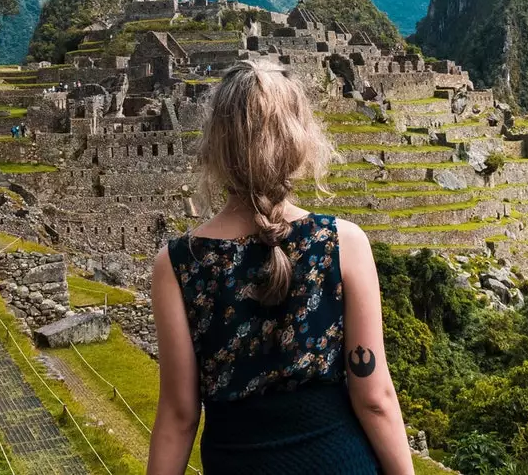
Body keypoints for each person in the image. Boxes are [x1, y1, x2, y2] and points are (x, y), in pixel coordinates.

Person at [147, 60, 413, 475]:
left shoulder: (179, 264)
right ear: (298, 140)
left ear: (216, 144)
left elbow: (180, 416)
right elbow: (374, 397)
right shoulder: (342, 243)